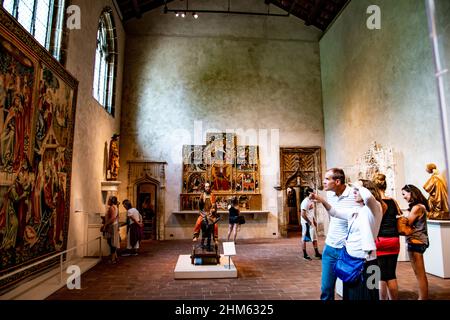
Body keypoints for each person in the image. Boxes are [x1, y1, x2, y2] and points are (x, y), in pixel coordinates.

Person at [311, 179, 383, 300]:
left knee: (371, 294)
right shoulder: (356, 211)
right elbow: (334, 212)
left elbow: (369, 198)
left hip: (368, 262)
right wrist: (321, 199)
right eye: (354, 190)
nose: (354, 192)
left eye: (357, 190)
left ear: (366, 190)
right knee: (351, 295)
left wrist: (358, 185)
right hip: (351, 260)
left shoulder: (375, 208)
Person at [318, 168, 360, 300]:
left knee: (350, 288)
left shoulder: (354, 194)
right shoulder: (330, 194)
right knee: (326, 288)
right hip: (330, 248)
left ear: (337, 181)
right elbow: (334, 214)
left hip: (347, 250)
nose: (323, 182)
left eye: (327, 179)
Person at [373, 173, 400, 300]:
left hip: (379, 240)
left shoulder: (375, 203)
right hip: (394, 239)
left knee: (380, 275)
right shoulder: (393, 201)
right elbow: (399, 215)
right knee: (391, 274)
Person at [401, 184, 430, 300]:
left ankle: (423, 297)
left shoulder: (417, 208)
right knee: (419, 273)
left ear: (411, 193)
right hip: (417, 241)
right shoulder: (419, 206)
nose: (403, 197)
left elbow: (408, 223)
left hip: (416, 241)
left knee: (420, 274)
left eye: (404, 194)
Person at [300, 187, 322, 260]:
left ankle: (316, 253)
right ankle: (305, 254)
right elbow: (303, 214)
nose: (314, 193)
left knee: (314, 237)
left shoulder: (311, 200)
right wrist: (309, 222)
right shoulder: (305, 202)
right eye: (313, 192)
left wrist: (313, 220)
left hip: (311, 222)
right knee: (305, 238)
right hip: (306, 223)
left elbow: (319, 201)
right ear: (309, 193)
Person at [103, 196, 120, 263]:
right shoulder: (116, 207)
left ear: (111, 201)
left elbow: (112, 218)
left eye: (109, 200)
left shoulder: (111, 208)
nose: (108, 201)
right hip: (114, 225)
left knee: (111, 242)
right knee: (111, 242)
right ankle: (115, 257)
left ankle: (113, 259)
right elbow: (116, 217)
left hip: (112, 226)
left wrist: (105, 224)